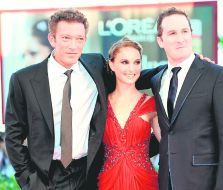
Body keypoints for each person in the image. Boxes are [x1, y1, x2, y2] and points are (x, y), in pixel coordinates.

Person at [4, 8, 161, 190]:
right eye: (66, 38)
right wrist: (30, 181)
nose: (74, 46)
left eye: (79, 39)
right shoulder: (23, 79)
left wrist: (177, 67)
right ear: (52, 39)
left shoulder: (95, 66)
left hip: (89, 174)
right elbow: (14, 137)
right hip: (45, 176)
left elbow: (130, 75)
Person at [150, 7, 223, 190]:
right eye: (172, 33)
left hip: (204, 182)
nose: (181, 38)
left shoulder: (218, 75)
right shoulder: (157, 80)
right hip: (167, 182)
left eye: (185, 31)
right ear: (160, 40)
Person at [98, 37, 161, 190]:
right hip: (107, 181)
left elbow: (169, 144)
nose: (132, 69)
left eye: (137, 62)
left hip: (144, 182)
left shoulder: (151, 104)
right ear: (111, 64)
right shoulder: (100, 104)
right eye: (124, 62)